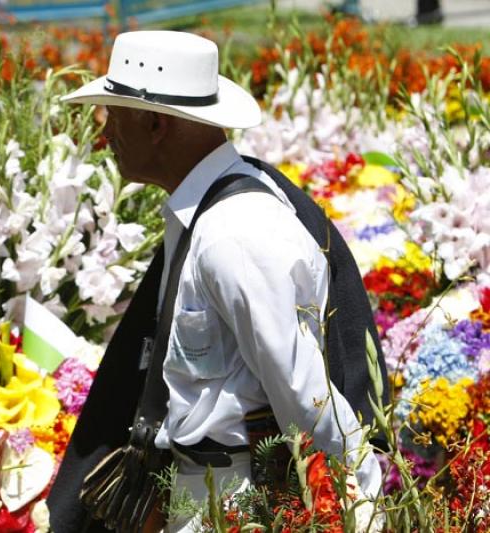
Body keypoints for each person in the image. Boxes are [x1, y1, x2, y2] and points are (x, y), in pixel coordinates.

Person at [49, 31, 387, 532]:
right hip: (206, 497)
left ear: (156, 124)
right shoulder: (210, 216)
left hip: (237, 506)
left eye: (115, 119)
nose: (106, 137)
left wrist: (367, 511)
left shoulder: (234, 233)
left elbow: (304, 394)